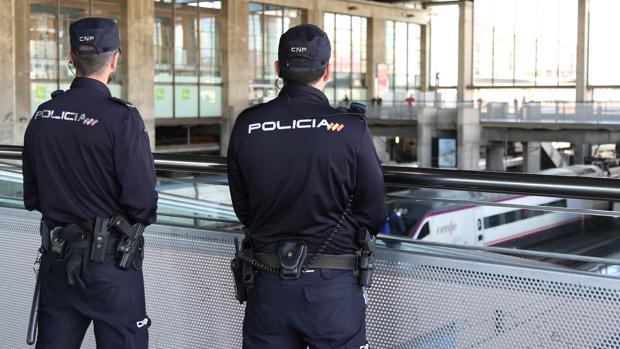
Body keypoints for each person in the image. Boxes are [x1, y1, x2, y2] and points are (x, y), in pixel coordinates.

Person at [227, 24, 387, 348]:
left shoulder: (247, 124)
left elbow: (243, 208)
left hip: (267, 287)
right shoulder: (349, 129)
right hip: (334, 290)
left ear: (278, 69)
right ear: (327, 71)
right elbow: (374, 212)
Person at [22, 18, 157, 349]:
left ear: (71, 58)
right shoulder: (121, 118)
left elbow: (33, 196)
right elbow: (142, 204)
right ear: (115, 59)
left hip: (58, 262)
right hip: (110, 267)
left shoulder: (44, 114)